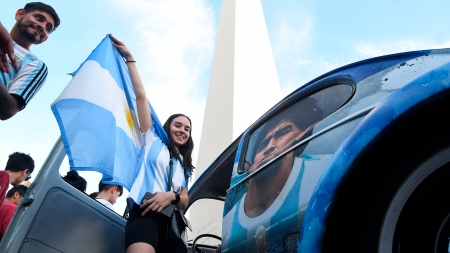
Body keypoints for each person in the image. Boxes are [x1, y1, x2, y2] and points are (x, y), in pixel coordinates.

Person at [110, 34, 195, 253]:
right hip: (144, 215)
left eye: (187, 128)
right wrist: (131, 60)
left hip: (172, 228)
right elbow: (141, 98)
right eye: (178, 125)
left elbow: (185, 200)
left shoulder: (183, 164)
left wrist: (172, 196)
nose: (182, 130)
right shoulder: (152, 139)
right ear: (168, 126)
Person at [221, 97, 324, 252]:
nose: (270, 146)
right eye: (262, 144)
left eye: (282, 133)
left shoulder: (320, 174)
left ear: (301, 136)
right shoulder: (228, 227)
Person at [0, 2, 60, 121]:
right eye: (39, 18)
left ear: (45, 39)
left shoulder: (36, 65)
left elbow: (8, 110)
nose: (42, 26)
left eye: (48, 28)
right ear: (20, 14)